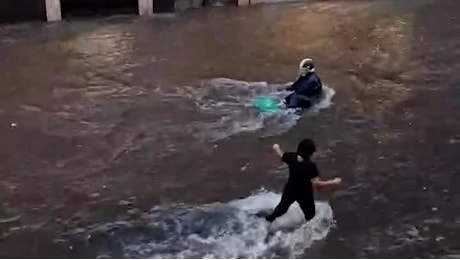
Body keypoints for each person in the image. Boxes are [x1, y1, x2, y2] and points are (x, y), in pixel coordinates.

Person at [265, 139, 341, 222]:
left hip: (290, 189)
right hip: (304, 194)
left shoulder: (292, 157)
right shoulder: (311, 166)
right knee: (310, 215)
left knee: (281, 209)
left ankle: (268, 220)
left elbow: (281, 155)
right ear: (311, 153)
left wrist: (276, 147)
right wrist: (333, 182)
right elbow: (317, 184)